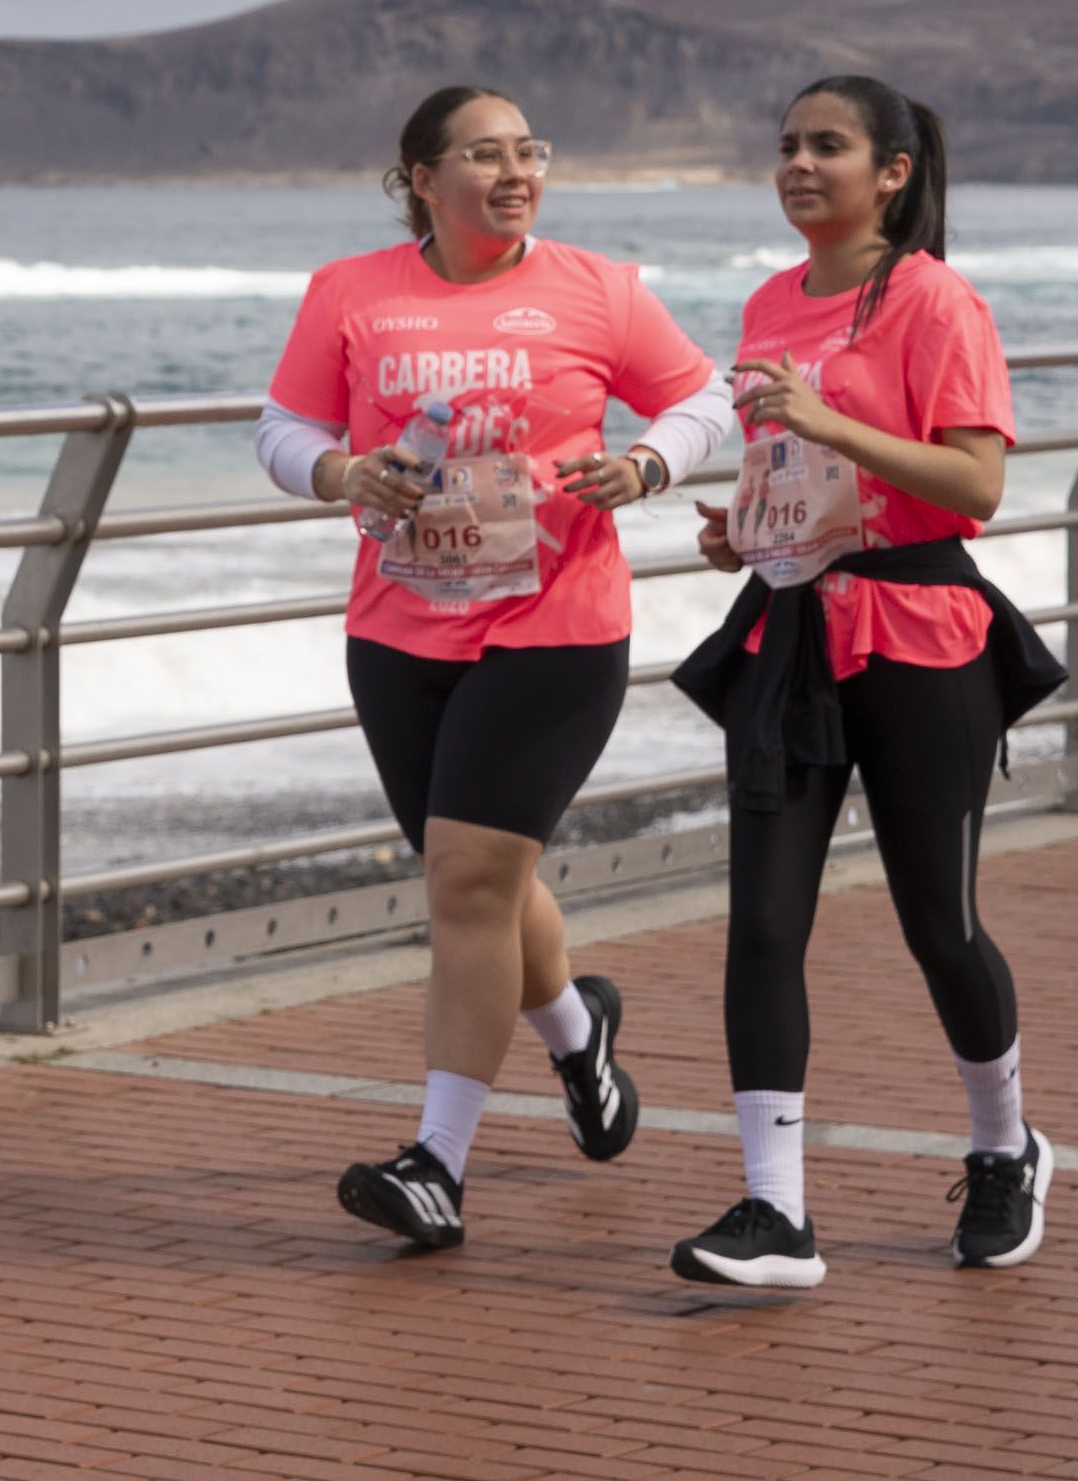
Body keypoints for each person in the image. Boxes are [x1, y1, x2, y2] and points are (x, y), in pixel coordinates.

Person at [256, 87, 730, 1249]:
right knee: (482, 880)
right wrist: (339, 474)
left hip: (556, 626)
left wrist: (647, 467)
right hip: (397, 630)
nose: (516, 172)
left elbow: (704, 397)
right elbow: (283, 430)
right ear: (421, 178)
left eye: (529, 152)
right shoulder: (350, 291)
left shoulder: (597, 289)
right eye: (485, 154)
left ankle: (436, 1165)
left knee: (467, 881)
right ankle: (577, 1032)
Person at [665, 75, 1063, 1289]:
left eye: (825, 146)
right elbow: (792, 470)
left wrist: (831, 425)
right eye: (785, 144)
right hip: (791, 630)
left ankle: (1003, 1149)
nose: (796, 164)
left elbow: (975, 487)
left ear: (890, 172)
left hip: (920, 632)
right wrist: (746, 531)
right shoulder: (767, 301)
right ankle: (774, 1212)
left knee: (937, 922)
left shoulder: (934, 298)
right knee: (761, 924)